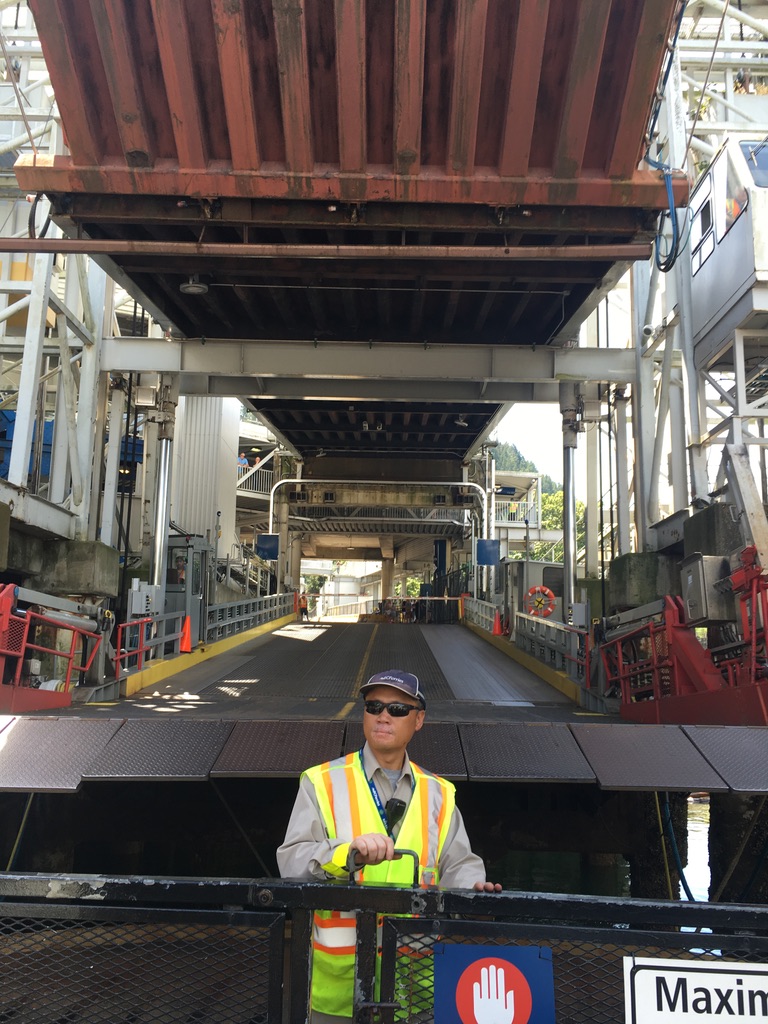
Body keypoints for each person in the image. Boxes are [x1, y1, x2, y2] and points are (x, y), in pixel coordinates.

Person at [277, 669, 500, 1023]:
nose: (383, 715)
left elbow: (458, 865)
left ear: (419, 719)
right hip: (338, 992)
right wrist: (345, 854)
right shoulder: (320, 782)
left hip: (413, 988)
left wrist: (474, 891)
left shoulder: (439, 793)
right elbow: (291, 863)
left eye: (397, 709)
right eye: (374, 706)